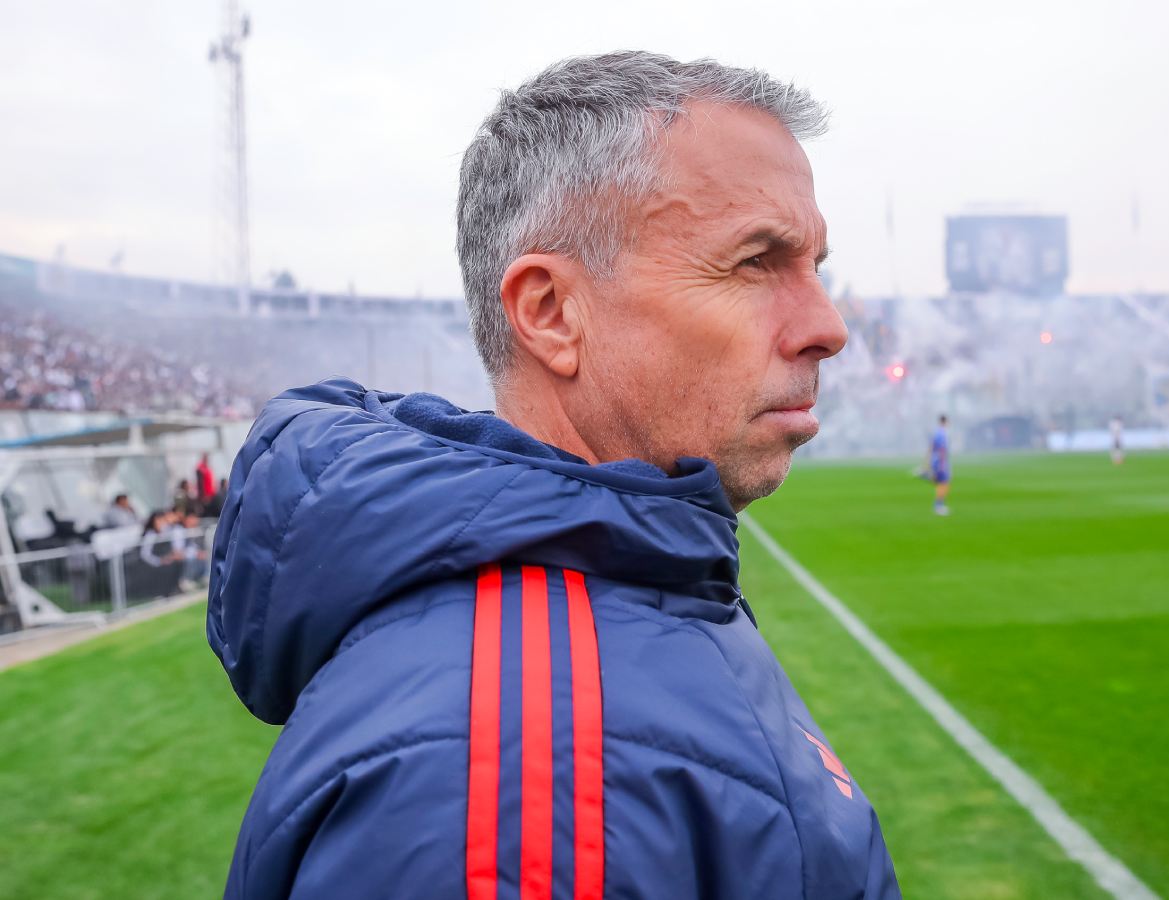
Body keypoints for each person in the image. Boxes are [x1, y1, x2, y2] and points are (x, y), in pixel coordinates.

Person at [210, 52, 898, 900]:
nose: (827, 326)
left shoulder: (624, 598)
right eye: (755, 262)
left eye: (815, 266)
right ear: (551, 314)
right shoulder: (523, 765)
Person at [928, 414, 952, 515]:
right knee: (944, 484)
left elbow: (931, 447)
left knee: (941, 483)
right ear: (945, 422)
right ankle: (938, 506)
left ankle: (939, 505)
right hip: (940, 461)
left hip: (935, 460)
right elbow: (942, 449)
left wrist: (929, 462)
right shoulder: (942, 434)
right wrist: (942, 464)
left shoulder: (936, 432)